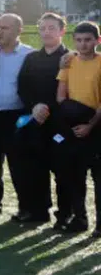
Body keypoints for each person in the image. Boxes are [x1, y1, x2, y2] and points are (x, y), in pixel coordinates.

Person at [15, 12, 69, 225]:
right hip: (35, 124)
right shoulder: (31, 59)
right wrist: (34, 106)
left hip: (60, 126)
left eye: (52, 28)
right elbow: (22, 87)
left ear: (62, 31)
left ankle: (65, 214)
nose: (46, 32)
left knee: (63, 172)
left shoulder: (70, 58)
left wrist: (49, 108)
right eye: (43, 28)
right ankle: (39, 212)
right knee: (35, 169)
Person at [0, 13, 33, 219]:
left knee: (20, 165)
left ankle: (26, 207)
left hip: (18, 117)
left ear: (19, 30)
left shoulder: (29, 55)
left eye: (5, 28)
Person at [54, 21, 101, 233]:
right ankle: (80, 219)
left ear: (97, 41)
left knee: (98, 177)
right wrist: (73, 121)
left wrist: (90, 125)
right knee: (74, 175)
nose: (83, 45)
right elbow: (60, 96)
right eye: (79, 40)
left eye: (88, 40)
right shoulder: (68, 62)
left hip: (96, 125)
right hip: (73, 126)